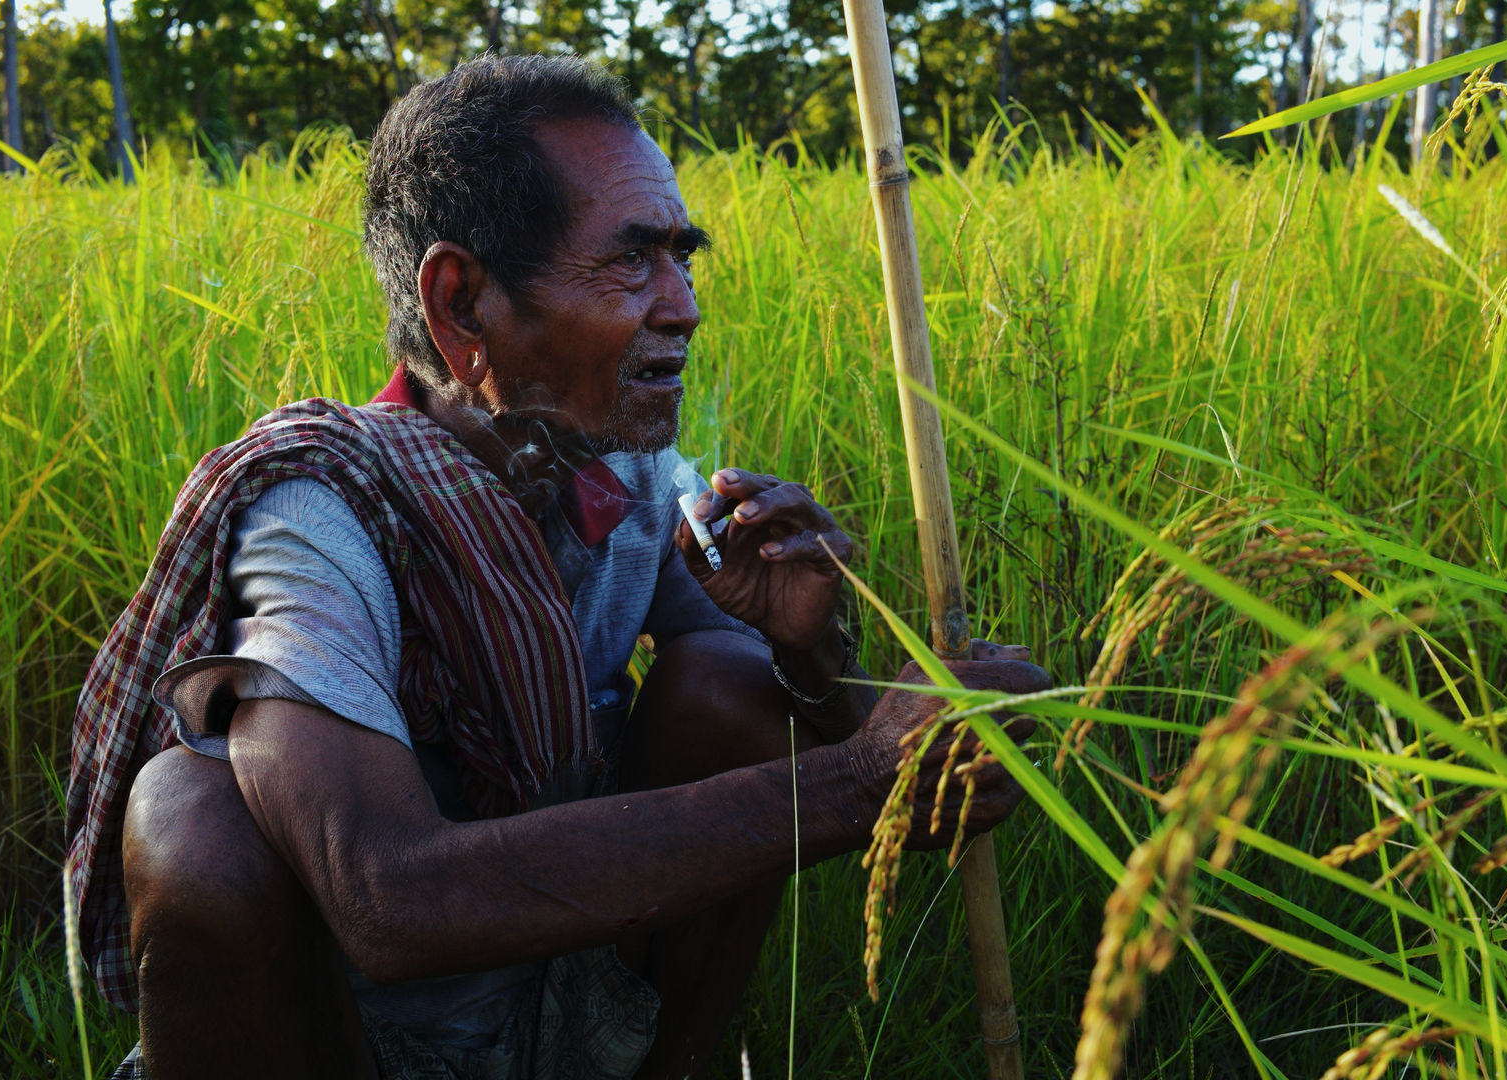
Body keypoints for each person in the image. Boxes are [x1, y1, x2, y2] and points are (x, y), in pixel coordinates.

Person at [66, 53, 1050, 1080]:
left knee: (727, 673)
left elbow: (784, 723)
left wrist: (813, 655)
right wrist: (852, 782)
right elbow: (384, 899)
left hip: (572, 995)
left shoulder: (628, 472)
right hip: (350, 1036)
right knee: (194, 822)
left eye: (684, 256)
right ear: (460, 302)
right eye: (632, 262)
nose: (683, 306)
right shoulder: (323, 511)